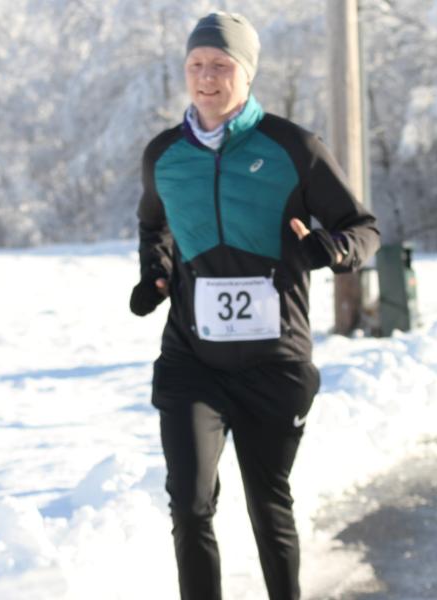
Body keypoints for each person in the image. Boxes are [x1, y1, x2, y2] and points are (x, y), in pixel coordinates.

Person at [130, 12, 380, 600]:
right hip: (193, 358)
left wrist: (331, 249)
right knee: (190, 503)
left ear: (246, 73)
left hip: (276, 360)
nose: (206, 77)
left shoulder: (293, 148)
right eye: (196, 64)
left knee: (268, 505)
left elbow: (363, 228)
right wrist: (156, 274)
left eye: (221, 65)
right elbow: (154, 225)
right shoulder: (164, 155)